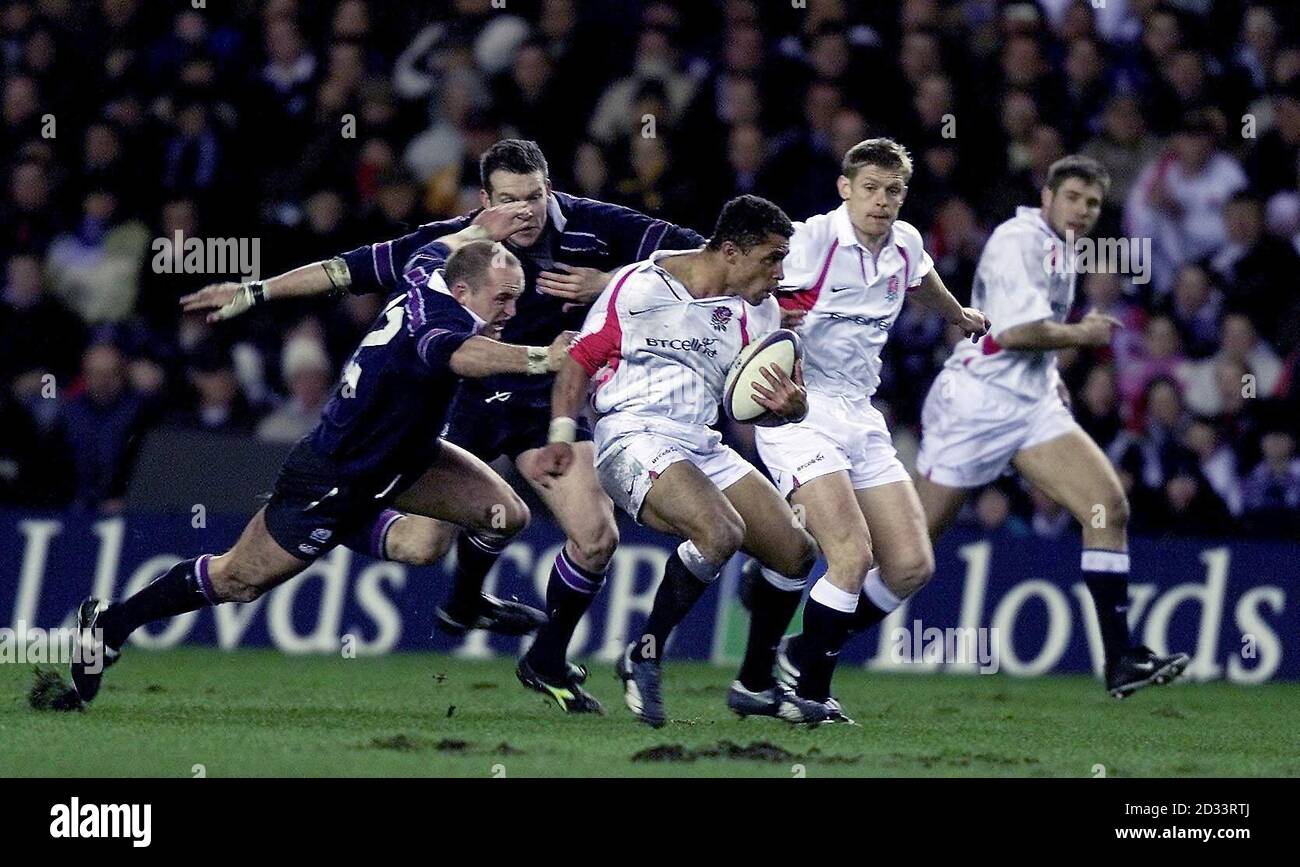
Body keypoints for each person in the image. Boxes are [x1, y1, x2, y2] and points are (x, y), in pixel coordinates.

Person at [180, 139, 706, 713]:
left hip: (543, 404)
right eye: (509, 200)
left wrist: (608, 282)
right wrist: (255, 290)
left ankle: (546, 659)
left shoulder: (598, 226)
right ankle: (456, 597)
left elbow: (701, 260)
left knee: (597, 536)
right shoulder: (453, 243)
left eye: (535, 196)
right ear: (485, 200)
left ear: (551, 189)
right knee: (422, 544)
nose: (525, 212)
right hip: (462, 400)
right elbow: (343, 270)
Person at [69, 241, 572, 707]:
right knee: (239, 580)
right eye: (503, 299)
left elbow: (414, 249)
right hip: (335, 475)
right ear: (463, 292)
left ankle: (464, 607)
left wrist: (493, 222)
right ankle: (111, 622)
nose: (511, 311)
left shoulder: (425, 269)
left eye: (516, 299)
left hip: (407, 458)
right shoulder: (438, 325)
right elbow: (460, 356)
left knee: (500, 517)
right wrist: (541, 358)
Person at [528, 196, 829, 728]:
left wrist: (793, 408)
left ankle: (755, 684)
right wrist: (559, 434)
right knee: (720, 532)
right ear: (731, 252)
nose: (779, 273)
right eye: (771, 258)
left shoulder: (757, 312)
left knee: (796, 553)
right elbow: (579, 360)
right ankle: (643, 652)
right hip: (631, 434)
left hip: (700, 442)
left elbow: (762, 407)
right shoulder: (641, 287)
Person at [915, 155, 1191, 699]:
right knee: (912, 552)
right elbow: (1015, 333)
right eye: (1073, 198)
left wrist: (1052, 375)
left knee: (1106, 506)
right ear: (1047, 197)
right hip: (977, 407)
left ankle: (1121, 660)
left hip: (1031, 404)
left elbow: (1026, 337)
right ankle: (806, 639)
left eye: (1092, 203)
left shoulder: (1064, 248)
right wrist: (1082, 335)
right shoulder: (1019, 241)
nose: (1084, 211)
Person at [739, 139, 990, 721]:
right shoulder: (810, 240)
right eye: (870, 188)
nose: (882, 201)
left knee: (910, 566)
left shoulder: (905, 244)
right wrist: (772, 316)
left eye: (894, 190)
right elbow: (739, 287)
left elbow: (924, 279)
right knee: (850, 556)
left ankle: (803, 645)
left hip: (860, 412)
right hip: (798, 410)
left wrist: (959, 316)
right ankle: (810, 695)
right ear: (845, 188)